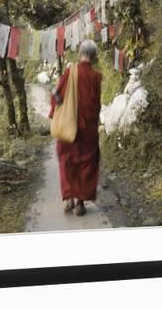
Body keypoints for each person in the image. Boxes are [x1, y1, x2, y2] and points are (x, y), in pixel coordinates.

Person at [48, 39, 102, 216]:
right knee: (86, 164)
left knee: (67, 161)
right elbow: (96, 105)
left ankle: (69, 199)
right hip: (88, 130)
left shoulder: (70, 72)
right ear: (94, 57)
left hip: (68, 127)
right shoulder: (96, 77)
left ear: (80, 54)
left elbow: (57, 97)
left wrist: (53, 110)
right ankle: (80, 203)